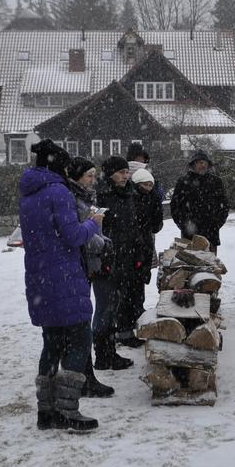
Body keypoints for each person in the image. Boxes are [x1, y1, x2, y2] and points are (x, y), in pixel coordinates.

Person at [17, 139, 104, 432]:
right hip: (65, 277)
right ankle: (68, 410)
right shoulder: (59, 192)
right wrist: (94, 222)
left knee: (51, 343)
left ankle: (46, 412)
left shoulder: (28, 195)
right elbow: (74, 236)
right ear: (57, 165)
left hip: (40, 278)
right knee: (80, 339)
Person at [66, 157, 115, 397]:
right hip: (78, 264)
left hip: (87, 263)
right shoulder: (72, 199)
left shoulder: (84, 197)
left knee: (83, 320)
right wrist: (101, 244)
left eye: (94, 175)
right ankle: (83, 378)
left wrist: (101, 239)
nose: (93, 180)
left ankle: (86, 376)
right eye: (89, 176)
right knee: (81, 323)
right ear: (76, 177)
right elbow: (79, 232)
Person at [94, 156, 148, 364]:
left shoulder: (128, 194)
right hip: (107, 257)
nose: (126, 176)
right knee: (105, 307)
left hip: (127, 256)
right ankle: (103, 353)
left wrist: (138, 253)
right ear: (110, 174)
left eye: (127, 172)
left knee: (121, 301)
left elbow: (133, 227)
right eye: (121, 172)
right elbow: (99, 230)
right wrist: (108, 253)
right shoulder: (102, 196)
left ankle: (115, 346)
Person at [119, 167, 165, 342]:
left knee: (138, 287)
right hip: (131, 250)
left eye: (151, 184)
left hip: (143, 247)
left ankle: (137, 323)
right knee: (128, 290)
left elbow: (156, 225)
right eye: (146, 184)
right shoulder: (131, 199)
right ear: (138, 184)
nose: (149, 187)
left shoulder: (151, 198)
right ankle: (126, 329)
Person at [170, 149, 230, 252]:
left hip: (210, 233)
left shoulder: (215, 182)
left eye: (205, 162)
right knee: (189, 265)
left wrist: (217, 223)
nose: (203, 165)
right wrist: (183, 225)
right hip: (189, 235)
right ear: (193, 164)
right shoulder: (183, 182)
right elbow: (175, 206)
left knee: (210, 266)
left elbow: (224, 204)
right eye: (199, 162)